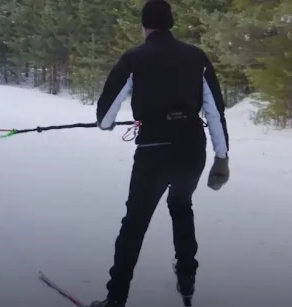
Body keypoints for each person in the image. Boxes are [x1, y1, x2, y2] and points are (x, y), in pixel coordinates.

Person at [90, 1, 230, 307]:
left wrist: (110, 121)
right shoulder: (197, 57)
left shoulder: (134, 58)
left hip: (154, 154)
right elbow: (214, 112)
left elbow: (105, 119)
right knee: (181, 206)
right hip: (191, 150)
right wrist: (222, 157)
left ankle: (115, 299)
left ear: (145, 27)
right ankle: (187, 281)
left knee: (135, 224)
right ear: (170, 24)